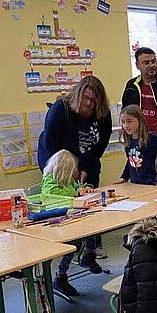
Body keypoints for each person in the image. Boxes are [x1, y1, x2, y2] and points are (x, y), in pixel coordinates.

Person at [37, 75, 112, 260]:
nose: (88, 103)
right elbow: (50, 144)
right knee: (68, 202)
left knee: (91, 199)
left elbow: (100, 145)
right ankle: (71, 247)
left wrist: (86, 168)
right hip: (60, 163)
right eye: (85, 98)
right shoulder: (61, 109)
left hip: (88, 161)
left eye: (93, 101)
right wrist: (71, 170)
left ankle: (92, 247)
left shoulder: (103, 114)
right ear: (78, 95)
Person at [41, 150, 97, 295]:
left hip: (73, 216)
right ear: (64, 170)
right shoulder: (49, 180)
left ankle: (89, 256)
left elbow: (76, 187)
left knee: (94, 229)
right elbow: (53, 194)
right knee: (74, 244)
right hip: (55, 222)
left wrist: (84, 188)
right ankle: (61, 276)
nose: (75, 172)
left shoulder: (69, 180)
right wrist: (76, 193)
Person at [114, 104, 157, 185]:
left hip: (152, 184)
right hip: (135, 184)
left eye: (129, 121)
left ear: (139, 120)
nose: (126, 126)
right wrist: (124, 177)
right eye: (123, 122)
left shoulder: (151, 139)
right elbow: (130, 161)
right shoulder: (129, 141)